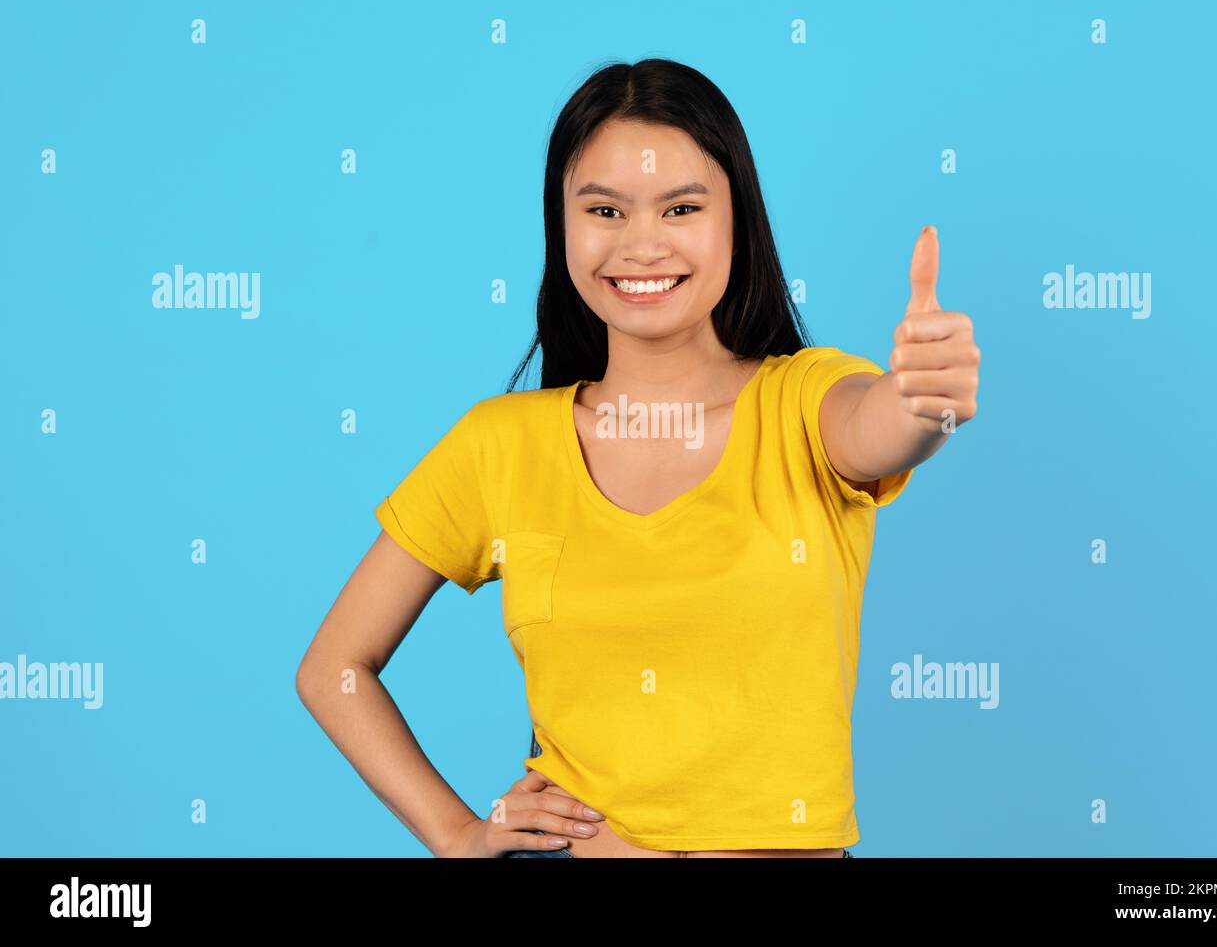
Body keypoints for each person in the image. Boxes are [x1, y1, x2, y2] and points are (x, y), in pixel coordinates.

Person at [296, 58, 980, 858]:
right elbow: (334, 669)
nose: (642, 244)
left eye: (682, 207)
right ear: (563, 226)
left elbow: (879, 427)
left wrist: (923, 399)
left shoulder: (806, 402)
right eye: (605, 210)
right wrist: (455, 833)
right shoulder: (501, 443)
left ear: (737, 220)